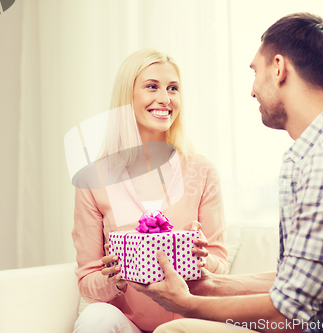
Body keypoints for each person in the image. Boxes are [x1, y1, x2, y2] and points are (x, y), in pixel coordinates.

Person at [130, 13, 323, 333]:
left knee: (176, 329)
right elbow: (295, 280)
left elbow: (288, 312)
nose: (253, 90)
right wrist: (208, 285)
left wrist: (187, 304)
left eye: (255, 71)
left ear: (279, 68)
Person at [71, 49, 228, 333]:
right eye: (152, 87)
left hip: (187, 322)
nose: (165, 99)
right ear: (127, 96)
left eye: (173, 89)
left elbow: (221, 266)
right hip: (127, 324)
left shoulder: (202, 171)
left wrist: (203, 260)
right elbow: (87, 283)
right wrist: (113, 279)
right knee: (96, 319)